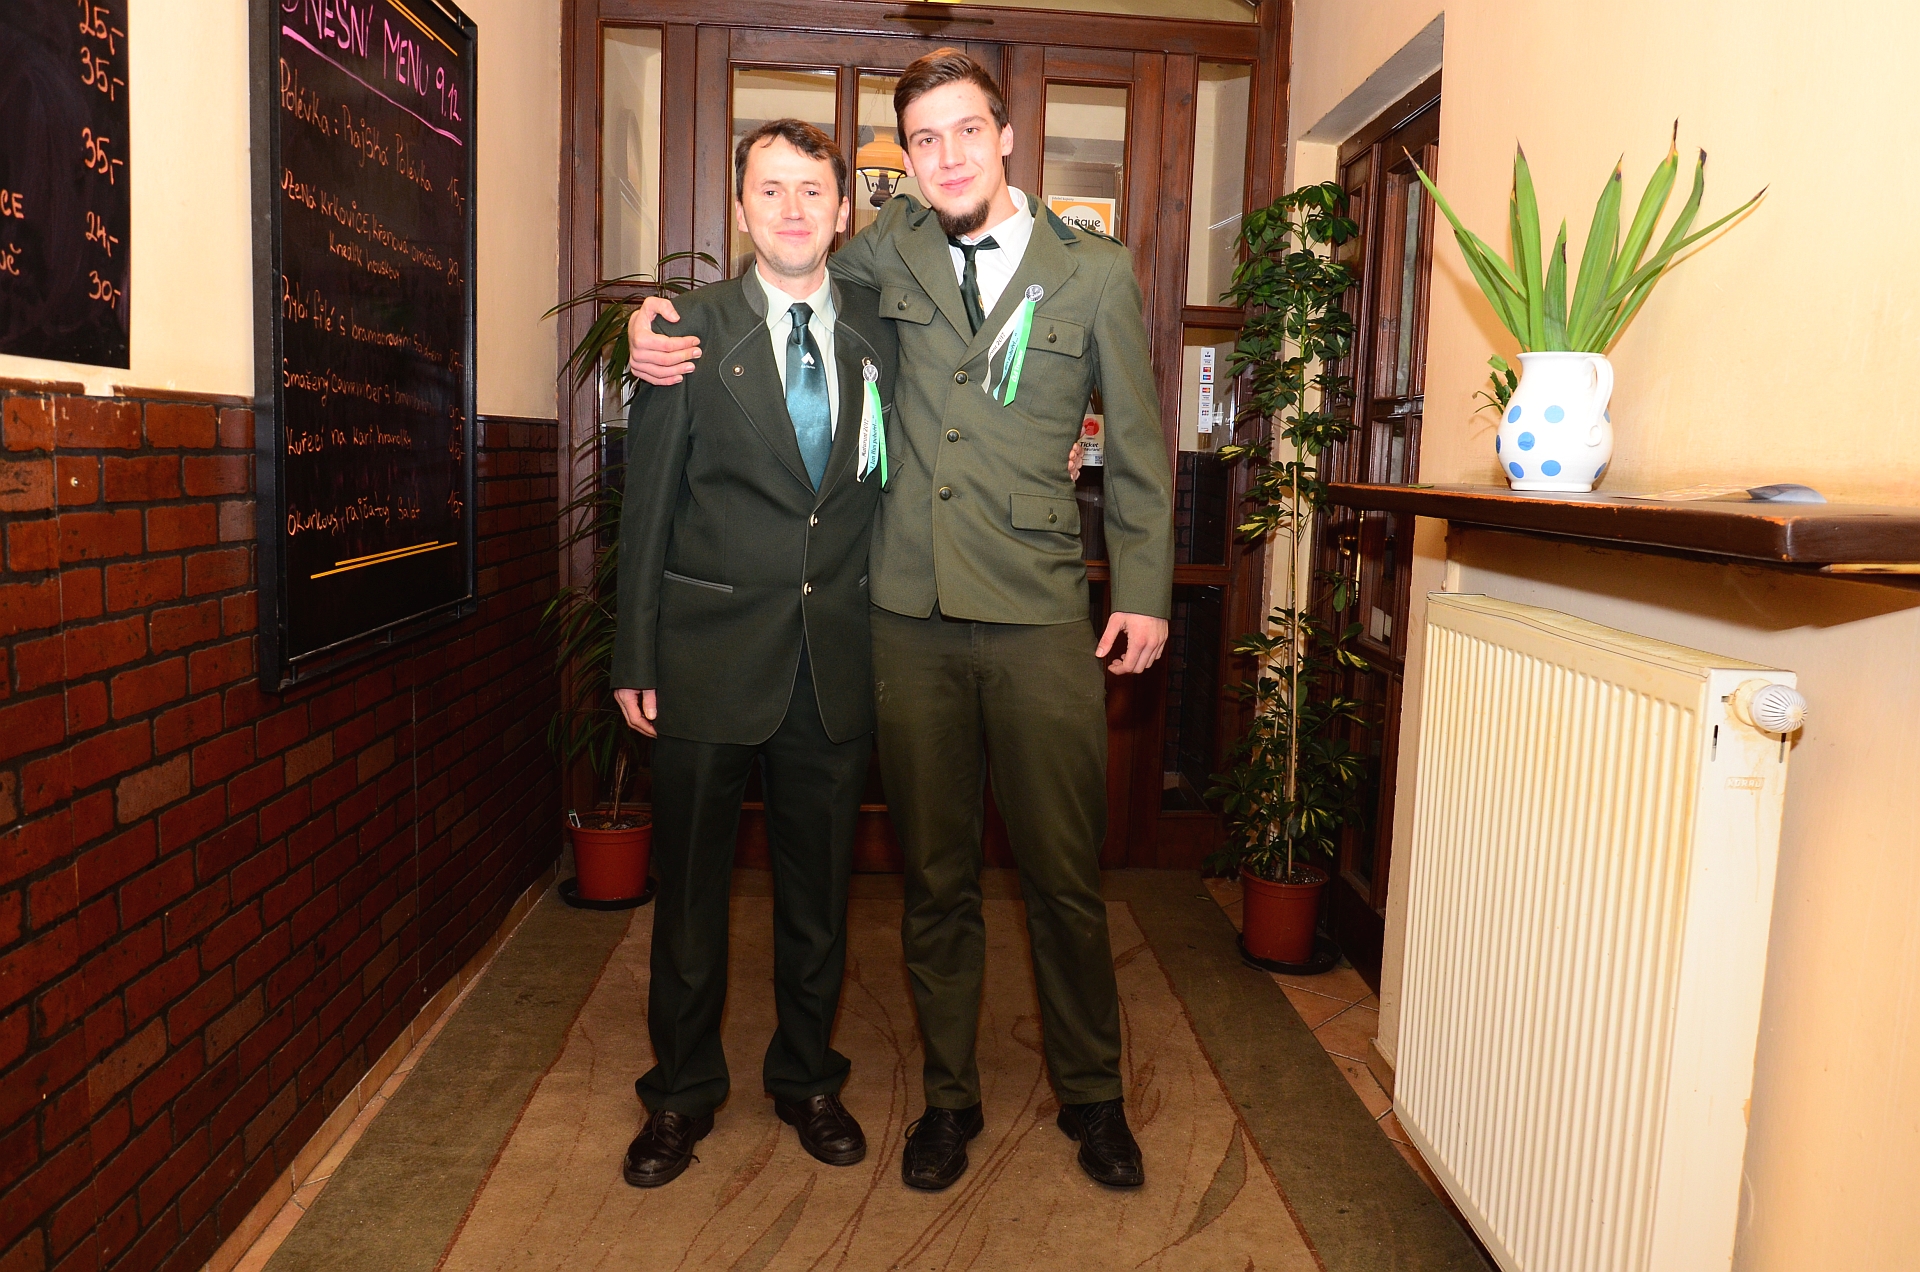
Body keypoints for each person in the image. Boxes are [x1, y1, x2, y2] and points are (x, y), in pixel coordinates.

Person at [625, 50, 1173, 1192]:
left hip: (1037, 610)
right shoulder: (888, 253)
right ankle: (949, 1102)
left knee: (1065, 878)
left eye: (967, 131)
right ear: (903, 166)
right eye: (925, 140)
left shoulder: (1094, 271)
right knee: (934, 881)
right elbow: (778, 272)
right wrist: (649, 323)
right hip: (907, 616)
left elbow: (1135, 444)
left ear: (1006, 135)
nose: (949, 156)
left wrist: (1143, 588)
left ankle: (1093, 1097)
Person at [608, 118, 896, 1188]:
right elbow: (648, 505)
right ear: (740, 209)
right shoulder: (685, 330)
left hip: (834, 661)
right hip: (705, 659)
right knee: (689, 899)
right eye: (769, 190)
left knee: (819, 900)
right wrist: (634, 654)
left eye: (811, 190)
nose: (791, 209)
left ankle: (808, 1080)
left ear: (842, 210)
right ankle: (679, 1096)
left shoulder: (881, 333)